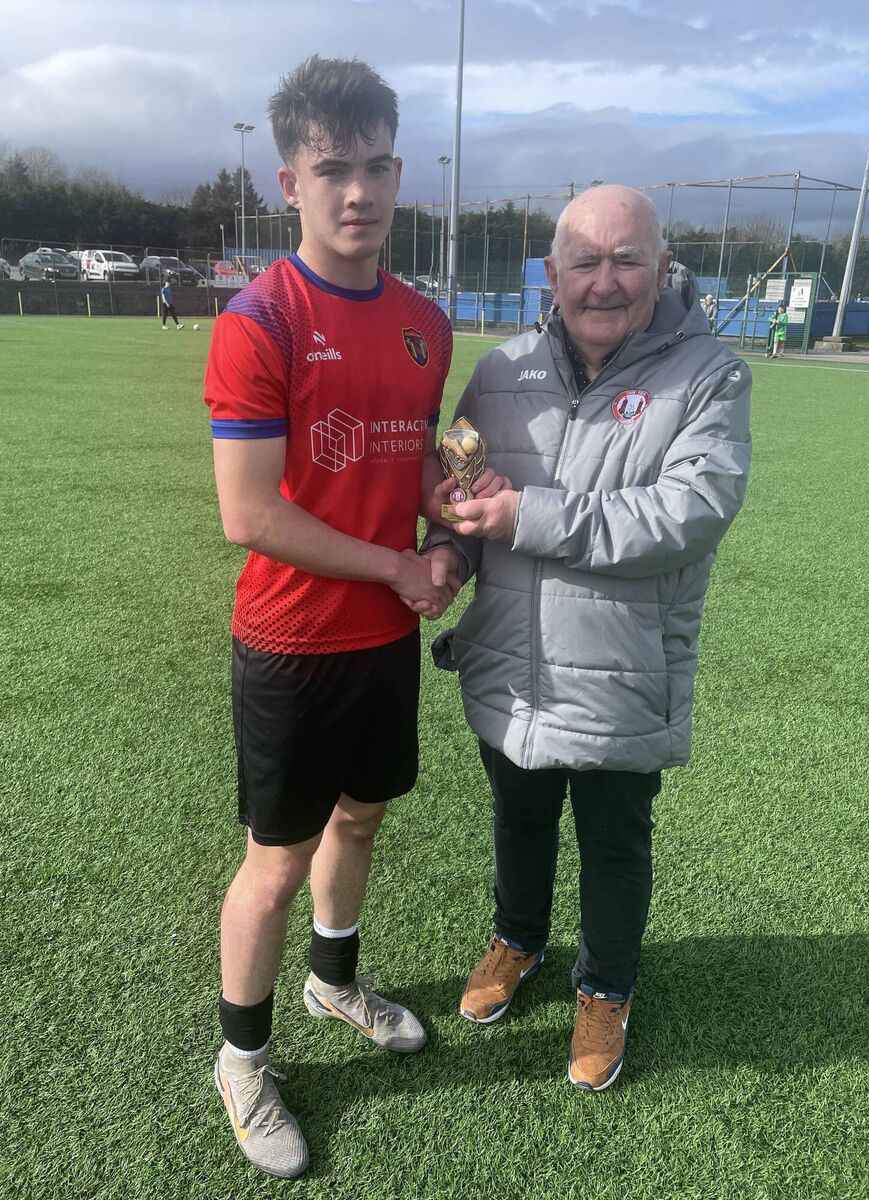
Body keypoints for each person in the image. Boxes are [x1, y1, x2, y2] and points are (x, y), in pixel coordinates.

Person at [202, 55, 504, 1178]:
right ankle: (242, 1061)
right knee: (272, 864)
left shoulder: (426, 323)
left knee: (362, 823)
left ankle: (335, 986)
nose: (361, 192)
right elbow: (251, 513)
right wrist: (396, 564)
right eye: (335, 169)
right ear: (291, 180)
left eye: (379, 166)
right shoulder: (259, 320)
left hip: (382, 635)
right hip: (290, 643)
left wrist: (443, 538)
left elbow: (417, 469)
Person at [421, 184, 751, 1093]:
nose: (605, 282)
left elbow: (688, 513)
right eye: (585, 262)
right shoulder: (500, 372)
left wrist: (528, 514)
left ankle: (606, 986)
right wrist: (446, 550)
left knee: (613, 842)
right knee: (517, 819)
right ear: (553, 273)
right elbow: (463, 493)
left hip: (620, 668)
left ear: (662, 267)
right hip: (508, 661)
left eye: (627, 259)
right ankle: (518, 939)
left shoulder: (709, 375)